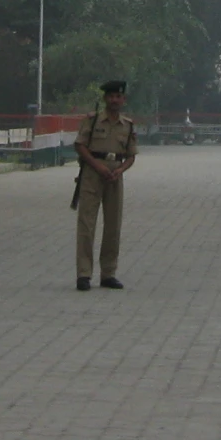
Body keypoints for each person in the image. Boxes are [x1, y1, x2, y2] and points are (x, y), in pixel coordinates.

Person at [73, 79, 137, 290]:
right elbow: (80, 146)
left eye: (118, 97)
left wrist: (120, 170)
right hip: (92, 175)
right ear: (105, 98)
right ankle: (84, 274)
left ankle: (108, 273)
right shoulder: (92, 121)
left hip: (114, 177)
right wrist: (97, 166)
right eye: (111, 96)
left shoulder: (127, 125)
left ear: (123, 99)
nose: (114, 100)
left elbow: (130, 156)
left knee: (113, 226)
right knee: (86, 225)